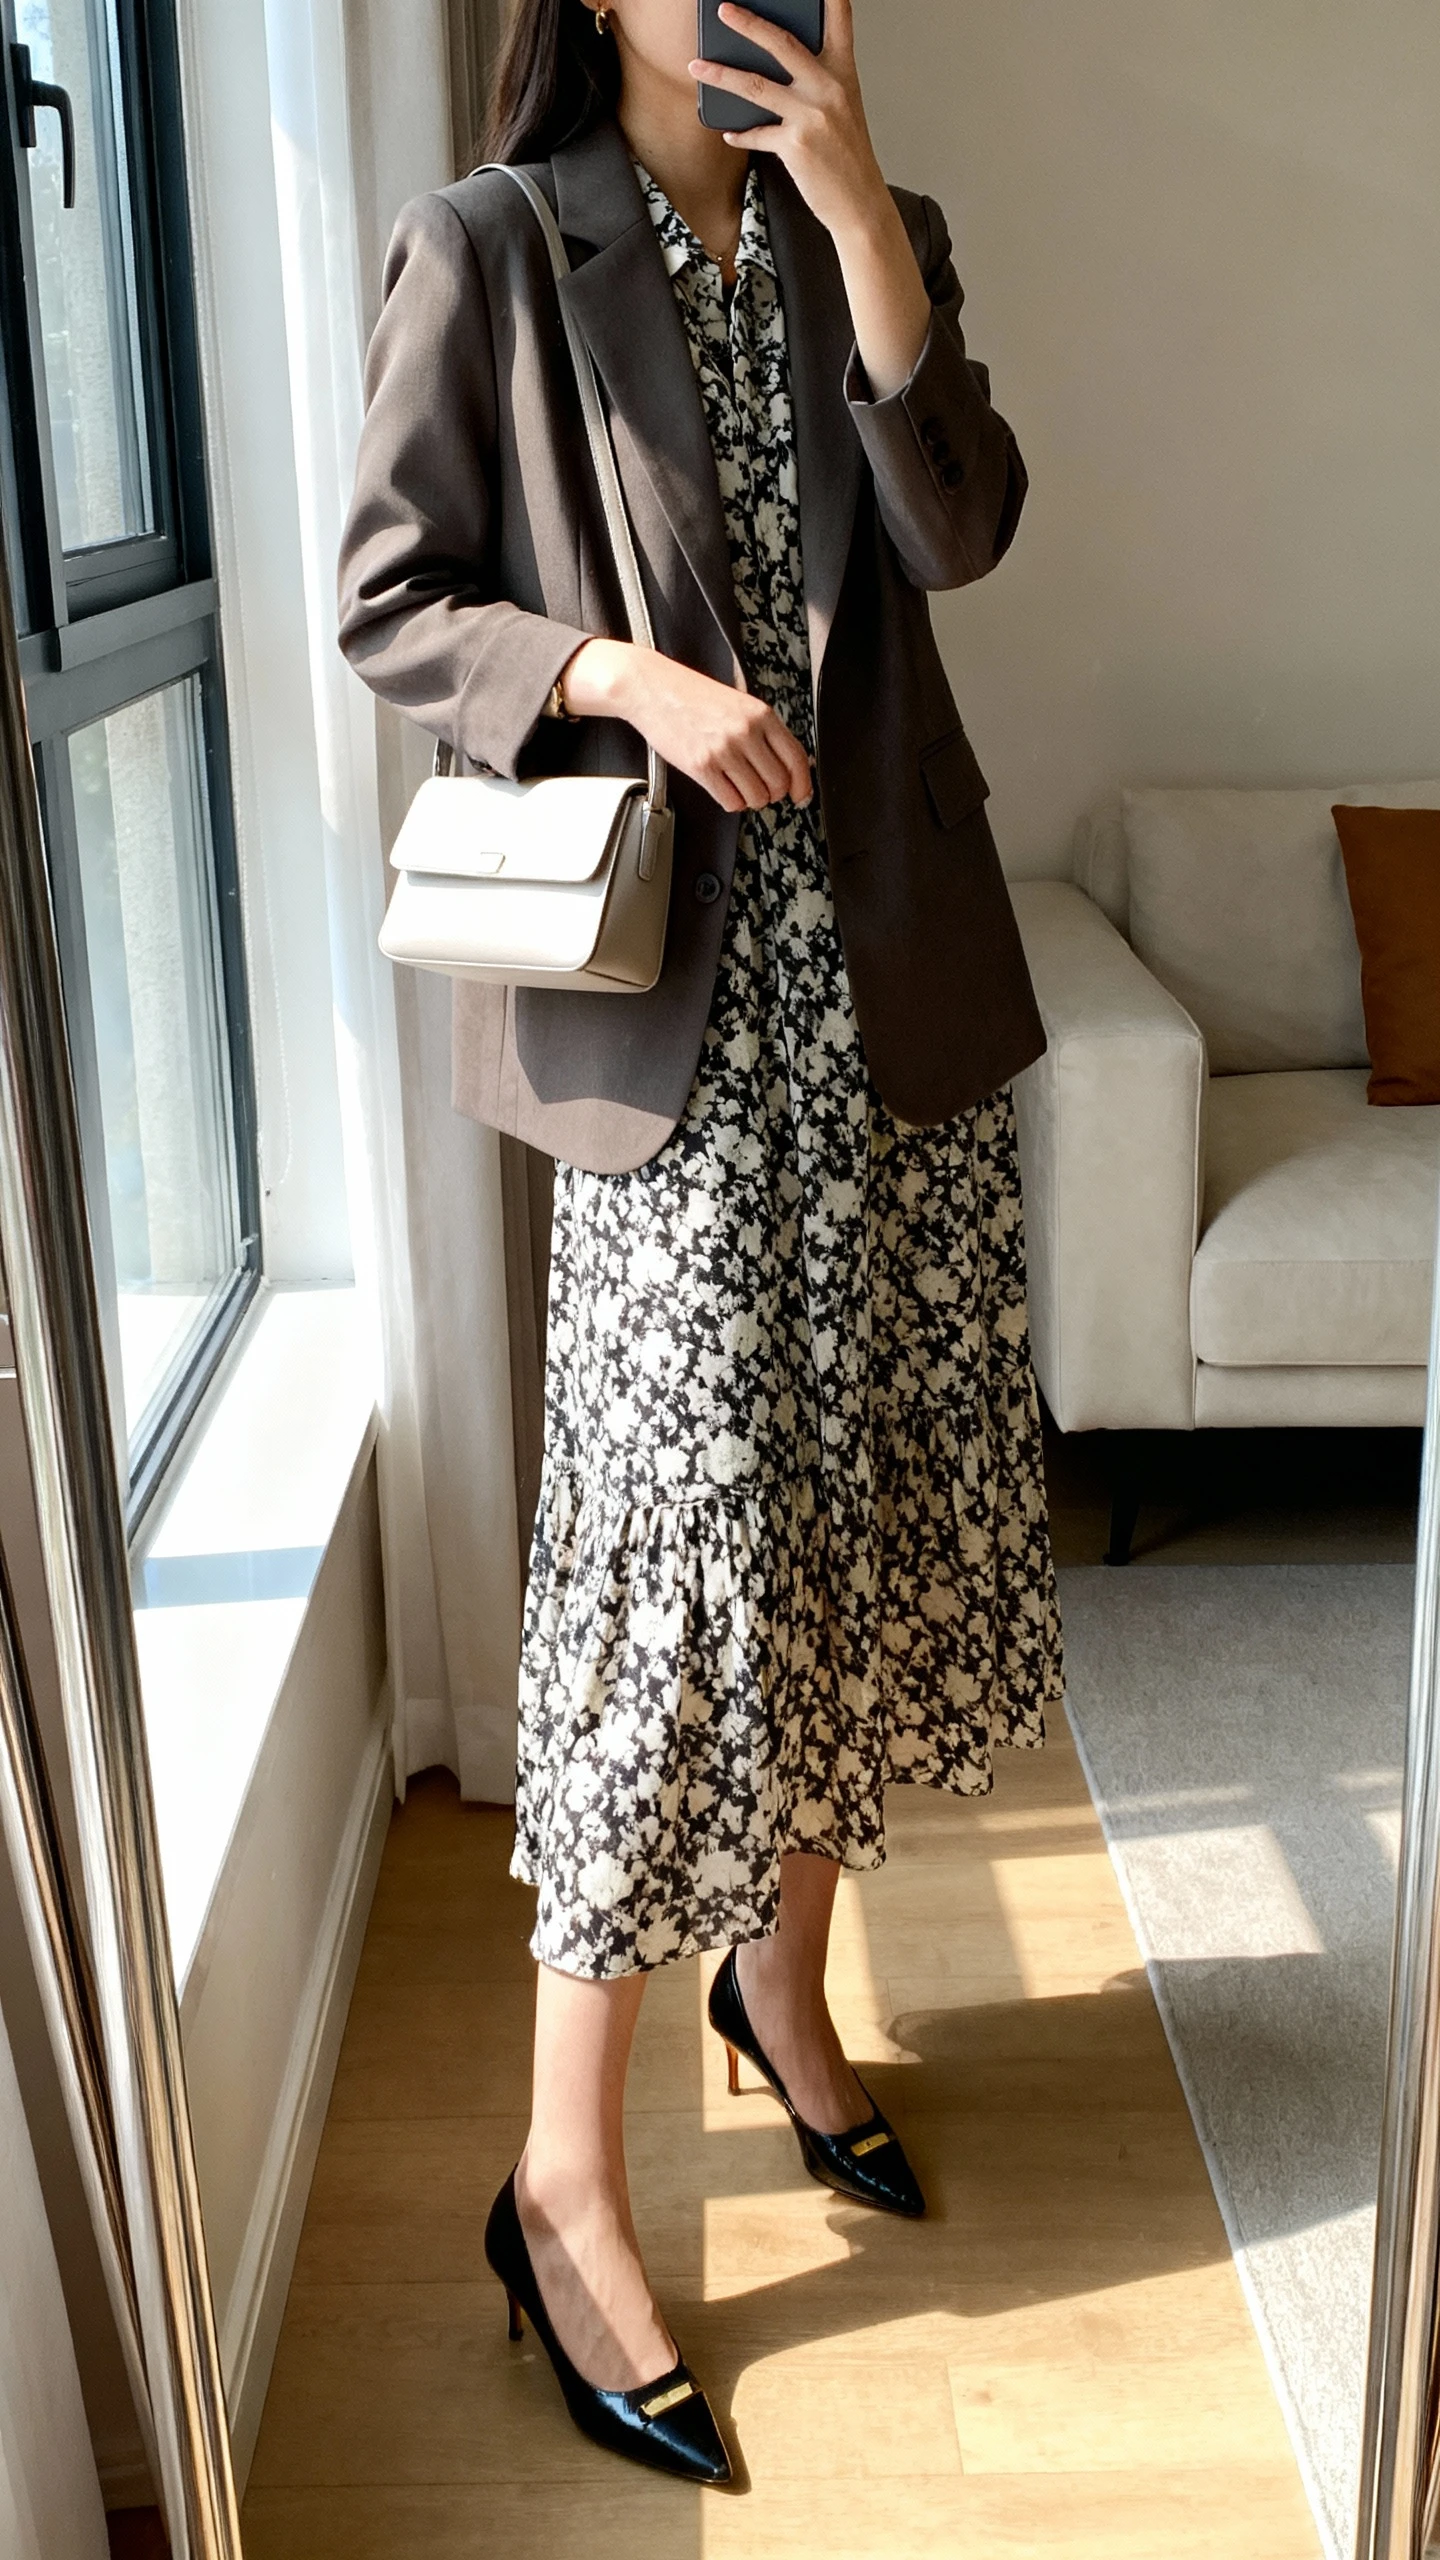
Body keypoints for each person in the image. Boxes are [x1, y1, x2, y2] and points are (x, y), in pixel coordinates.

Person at [337, 0, 1064, 2487]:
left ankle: (790, 1976)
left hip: (890, 992)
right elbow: (390, 599)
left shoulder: (882, 234)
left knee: (860, 1508)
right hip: (676, 1030)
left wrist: (868, 221)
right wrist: (614, 674)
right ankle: (559, 2176)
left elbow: (960, 525)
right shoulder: (492, 248)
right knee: (675, 1577)